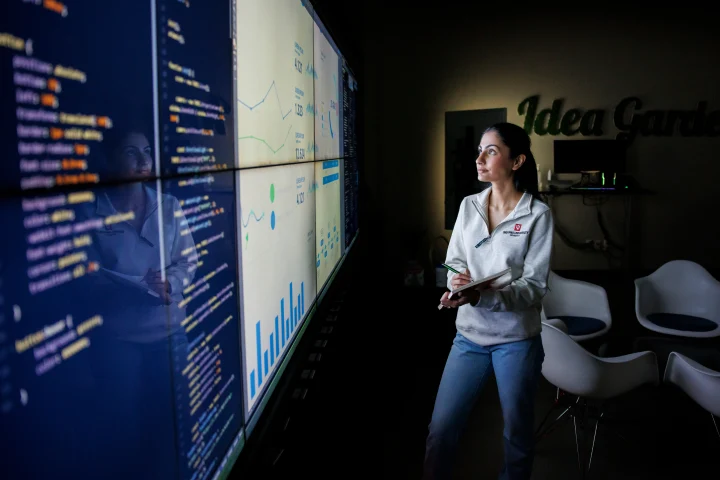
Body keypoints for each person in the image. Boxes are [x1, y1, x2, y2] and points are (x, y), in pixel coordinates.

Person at [423, 122, 554, 480]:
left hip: (516, 340)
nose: (479, 158)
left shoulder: (537, 215)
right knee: (441, 430)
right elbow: (454, 260)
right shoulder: (469, 206)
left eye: (491, 151)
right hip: (469, 338)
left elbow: (534, 287)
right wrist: (458, 282)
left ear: (517, 161)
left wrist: (483, 296)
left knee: (517, 436)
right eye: (480, 150)